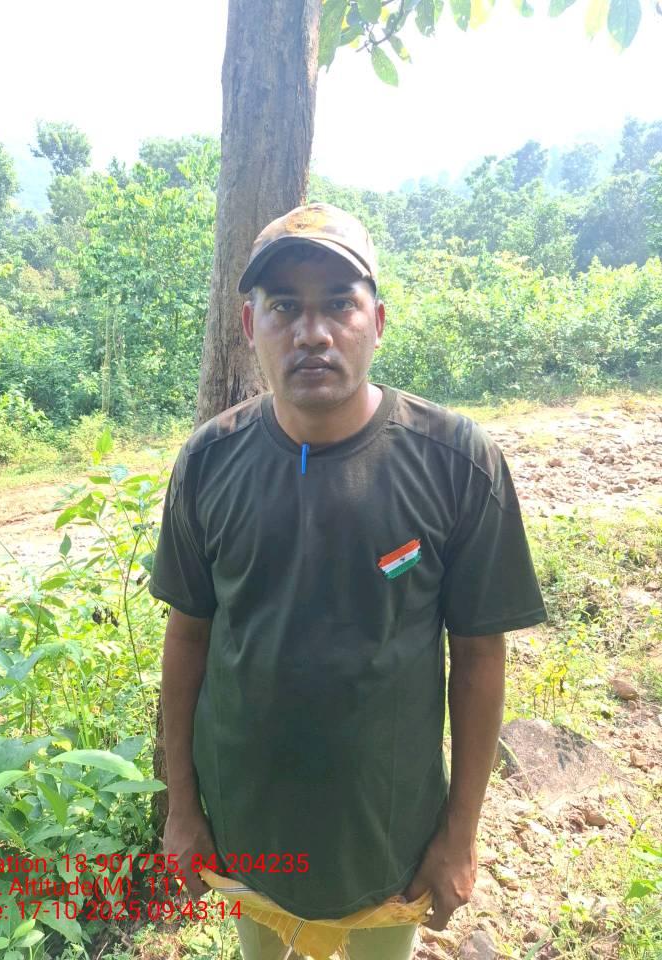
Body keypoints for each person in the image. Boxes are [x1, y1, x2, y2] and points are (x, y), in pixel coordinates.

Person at [149, 202, 548, 960]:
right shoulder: (208, 462)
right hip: (247, 825)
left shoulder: (456, 463)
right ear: (249, 325)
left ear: (378, 321)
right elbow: (188, 638)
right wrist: (183, 810)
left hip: (389, 835)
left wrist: (460, 835)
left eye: (339, 304)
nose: (313, 332)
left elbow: (479, 657)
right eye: (284, 307)